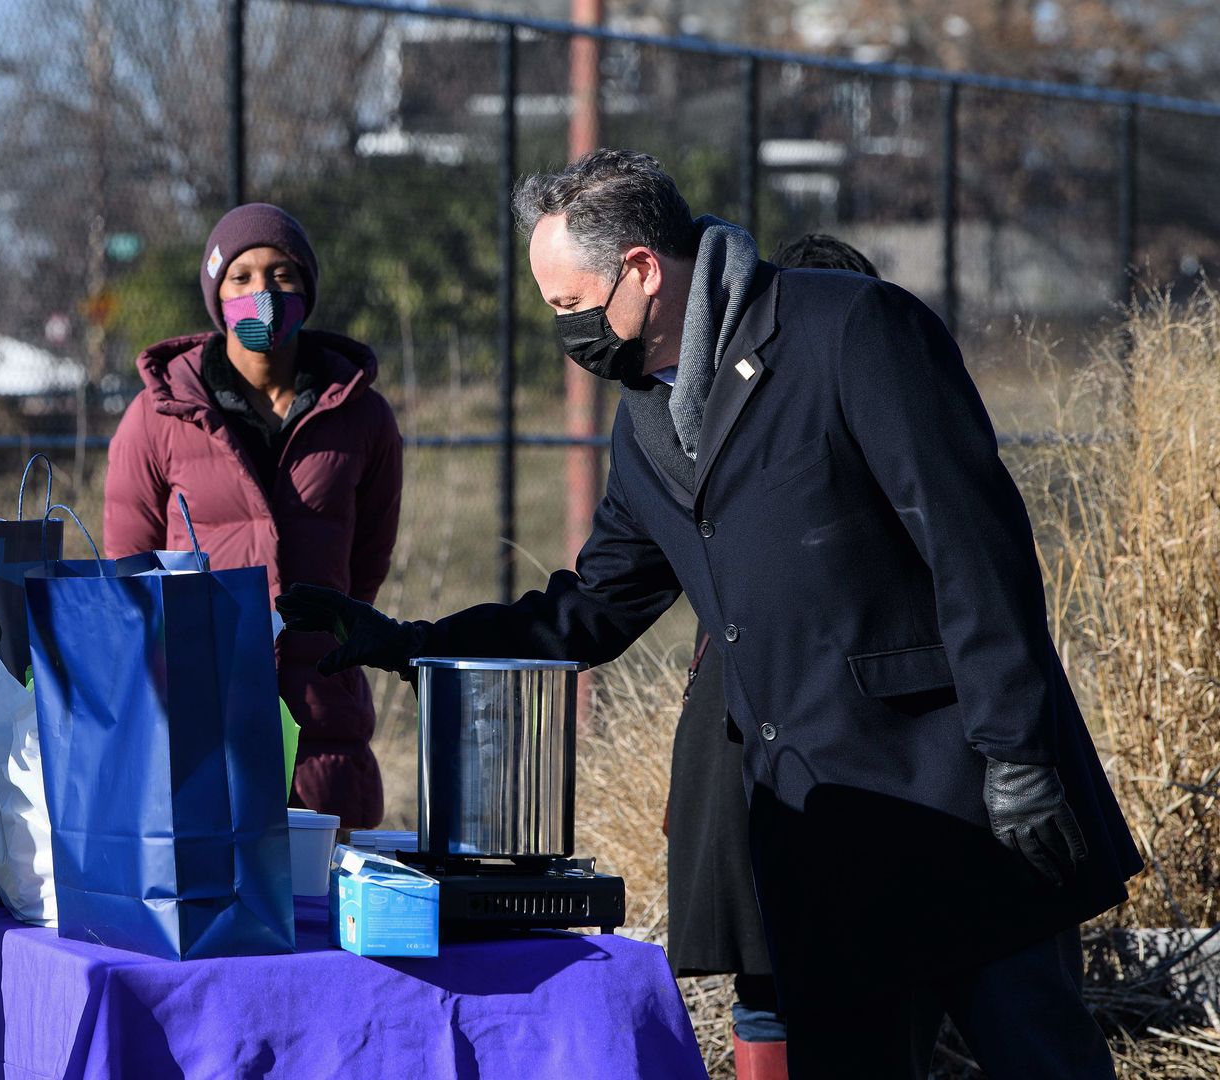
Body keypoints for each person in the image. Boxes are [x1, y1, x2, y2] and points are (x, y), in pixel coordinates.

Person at [279, 150, 1140, 1079]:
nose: (562, 329)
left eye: (570, 305)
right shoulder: (645, 423)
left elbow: (977, 547)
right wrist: (405, 645)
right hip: (821, 839)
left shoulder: (850, 329)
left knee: (1043, 1061)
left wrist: (1016, 753)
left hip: (965, 807)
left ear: (643, 270)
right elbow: (590, 612)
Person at [105, 203, 402, 828]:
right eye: (241, 277)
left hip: (323, 722)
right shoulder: (156, 417)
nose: (262, 292)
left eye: (282, 275)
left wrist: (319, 632)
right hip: (199, 716)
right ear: (217, 293)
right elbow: (127, 580)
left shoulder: (364, 418)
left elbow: (367, 562)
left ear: (307, 289)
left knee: (324, 916)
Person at [663, 234, 882, 1080]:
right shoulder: (709, 423)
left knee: (789, 977)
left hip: (795, 747)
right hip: (749, 743)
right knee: (768, 976)